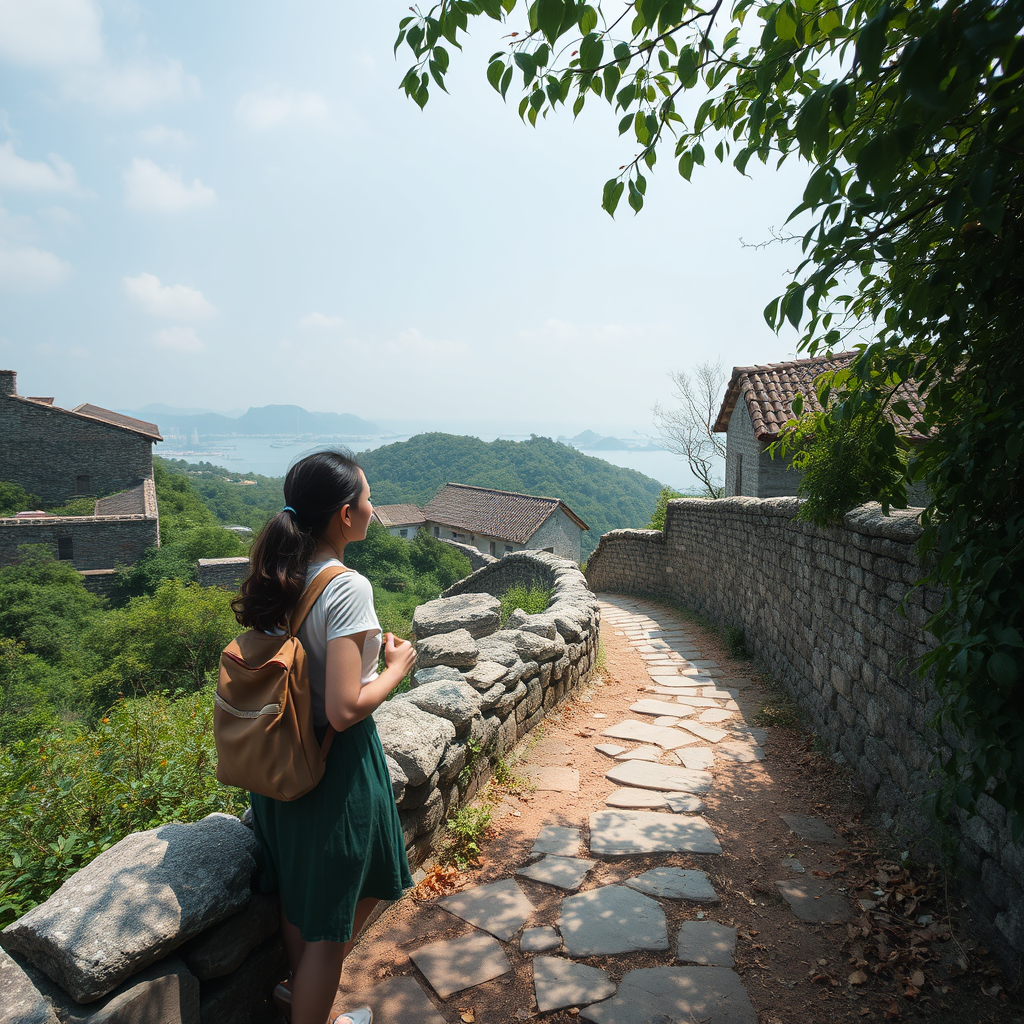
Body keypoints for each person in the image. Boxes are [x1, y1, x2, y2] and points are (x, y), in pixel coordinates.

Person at [232, 450, 416, 1024]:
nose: (372, 508)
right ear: (343, 513)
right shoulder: (346, 587)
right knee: (334, 921)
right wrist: (396, 667)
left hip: (278, 764)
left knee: (300, 898)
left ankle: (297, 994)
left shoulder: (279, 576)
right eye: (366, 498)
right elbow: (343, 708)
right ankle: (311, 1010)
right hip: (333, 769)